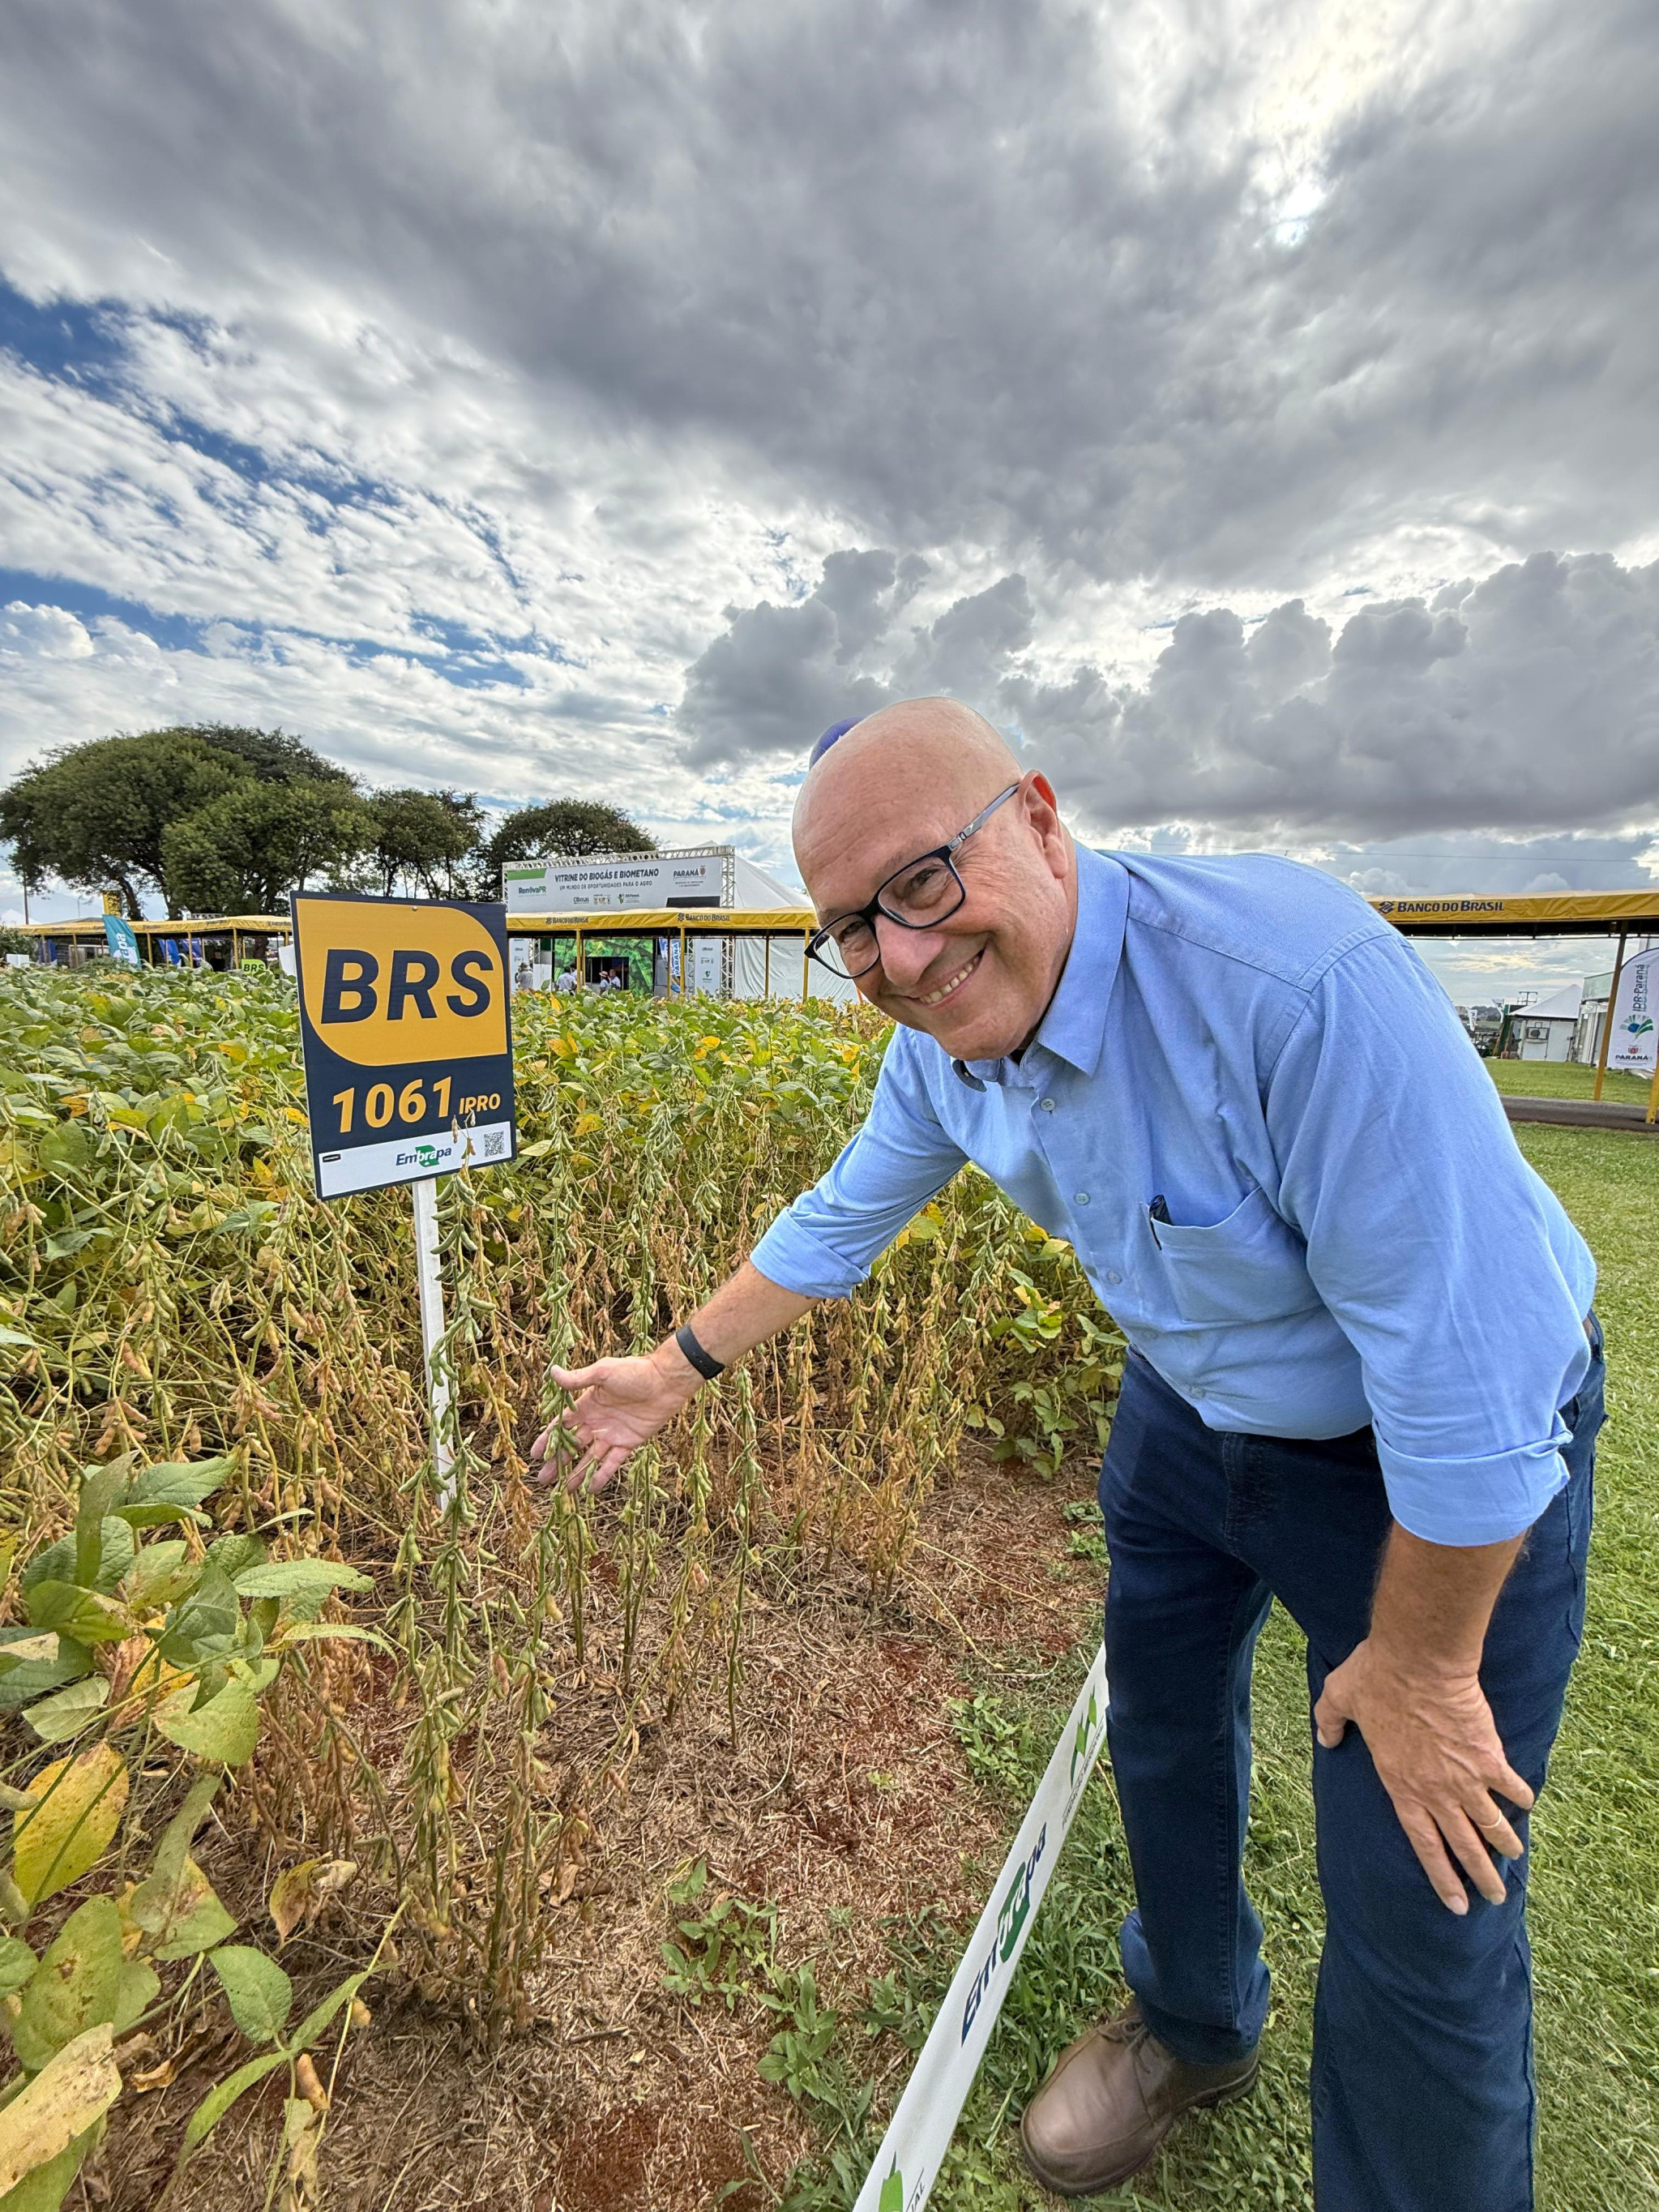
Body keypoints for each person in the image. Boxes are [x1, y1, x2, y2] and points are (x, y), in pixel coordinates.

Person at [528, 699, 1601, 2210]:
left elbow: (1470, 1385)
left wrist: (1422, 1666)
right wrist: (672, 1368)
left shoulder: (1296, 988)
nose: (897, 956)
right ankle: (1193, 2022)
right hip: (1186, 1415)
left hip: (1426, 1471)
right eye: (851, 925)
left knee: (1427, 1899)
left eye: (921, 881)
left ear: (1037, 815)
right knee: (1161, 1727)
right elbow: (845, 1215)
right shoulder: (947, 1044)